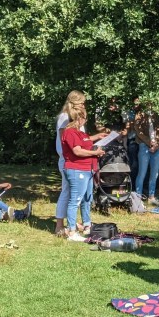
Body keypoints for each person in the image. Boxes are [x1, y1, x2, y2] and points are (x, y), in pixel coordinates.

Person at [55, 91, 108, 236]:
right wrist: (93, 152)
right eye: (82, 103)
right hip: (71, 162)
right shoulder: (66, 120)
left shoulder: (77, 125)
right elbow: (71, 145)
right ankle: (61, 226)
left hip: (82, 163)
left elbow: (81, 140)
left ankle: (81, 224)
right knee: (69, 193)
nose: (84, 106)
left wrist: (96, 137)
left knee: (84, 196)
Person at [132, 104, 159, 206]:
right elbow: (138, 131)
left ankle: (151, 197)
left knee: (155, 173)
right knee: (142, 172)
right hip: (144, 145)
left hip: (156, 146)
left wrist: (157, 143)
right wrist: (149, 142)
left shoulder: (155, 114)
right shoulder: (139, 114)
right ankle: (138, 197)